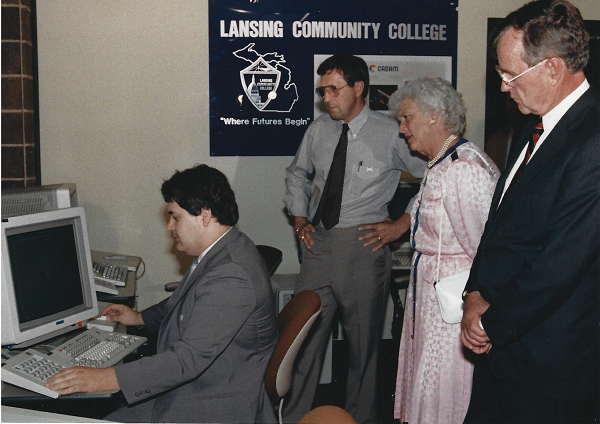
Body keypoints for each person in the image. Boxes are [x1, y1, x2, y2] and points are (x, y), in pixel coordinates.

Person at [47, 164, 278, 423]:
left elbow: (187, 360)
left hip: (212, 406)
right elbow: (187, 301)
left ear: (204, 215)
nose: (170, 226)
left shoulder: (231, 275)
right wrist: (138, 318)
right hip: (200, 389)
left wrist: (103, 378)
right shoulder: (223, 249)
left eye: (175, 217)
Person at [460, 1, 600, 423]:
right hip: (502, 351)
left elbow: (562, 262)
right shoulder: (533, 125)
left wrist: (490, 323)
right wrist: (474, 292)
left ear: (553, 69)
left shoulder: (592, 141)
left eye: (510, 74)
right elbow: (498, 223)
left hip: (548, 367)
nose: (503, 86)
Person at [283, 53, 426, 424]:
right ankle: (292, 417)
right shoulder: (318, 130)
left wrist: (402, 224)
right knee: (302, 343)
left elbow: (435, 173)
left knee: (363, 350)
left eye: (334, 89)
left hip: (362, 247)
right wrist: (300, 220)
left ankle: (359, 419)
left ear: (358, 87)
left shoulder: (391, 132)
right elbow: (297, 174)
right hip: (318, 244)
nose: (326, 98)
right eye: (322, 91)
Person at [391, 77, 500, 424]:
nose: (401, 128)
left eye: (406, 118)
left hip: (451, 308)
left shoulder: (464, 168)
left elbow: (487, 250)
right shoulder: (440, 163)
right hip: (430, 302)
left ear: (435, 116)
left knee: (447, 392)